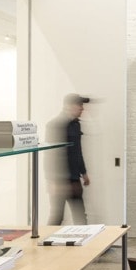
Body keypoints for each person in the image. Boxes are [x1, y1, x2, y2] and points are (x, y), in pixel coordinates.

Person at [46, 94, 91, 225]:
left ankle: (85, 244)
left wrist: (84, 172)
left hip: (74, 179)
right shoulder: (54, 125)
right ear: (68, 106)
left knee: (81, 217)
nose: (82, 109)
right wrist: (52, 181)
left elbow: (78, 151)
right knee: (57, 217)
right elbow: (50, 154)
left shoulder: (76, 125)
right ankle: (44, 244)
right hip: (59, 181)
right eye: (80, 105)